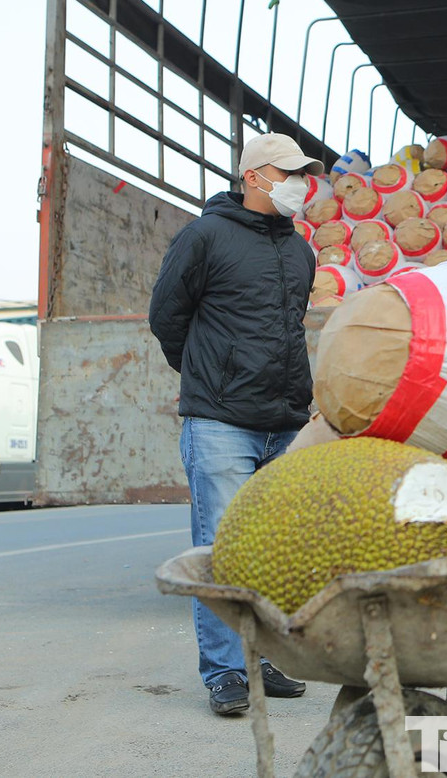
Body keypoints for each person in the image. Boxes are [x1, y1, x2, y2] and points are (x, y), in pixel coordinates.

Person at [149, 133, 320, 716]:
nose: (300, 183)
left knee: (272, 552)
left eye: (303, 174)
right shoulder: (205, 236)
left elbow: (290, 328)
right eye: (289, 172)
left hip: (285, 420)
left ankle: (261, 658)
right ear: (253, 176)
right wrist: (207, 375)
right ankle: (224, 670)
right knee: (220, 550)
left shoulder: (301, 250)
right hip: (222, 419)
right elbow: (167, 316)